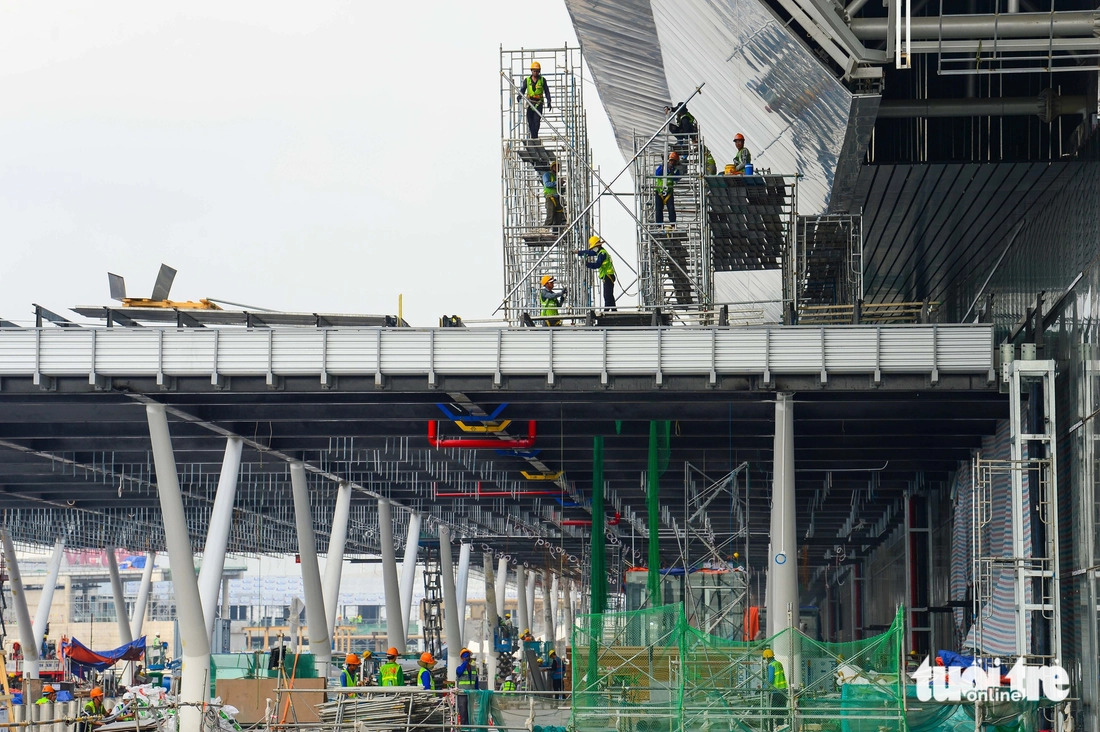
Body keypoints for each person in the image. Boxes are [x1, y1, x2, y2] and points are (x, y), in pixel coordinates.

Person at [578, 235, 617, 310]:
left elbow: (597, 265)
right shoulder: (600, 252)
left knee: (607, 295)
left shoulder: (602, 254)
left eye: (593, 247)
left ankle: (607, 311)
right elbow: (589, 252)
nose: (593, 249)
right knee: (609, 295)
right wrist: (579, 252)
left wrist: (587, 264)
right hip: (608, 276)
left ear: (597, 246)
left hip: (608, 276)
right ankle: (614, 310)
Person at [519, 61, 552, 139]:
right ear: (531, 71)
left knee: (536, 121)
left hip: (538, 103)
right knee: (530, 120)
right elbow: (523, 89)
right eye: (534, 71)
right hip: (530, 103)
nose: (536, 72)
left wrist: (549, 101)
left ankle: (534, 137)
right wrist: (519, 96)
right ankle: (533, 136)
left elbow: (547, 91)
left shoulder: (542, 80)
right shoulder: (527, 80)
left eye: (537, 71)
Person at [654, 151, 682, 225]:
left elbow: (677, 178)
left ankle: (673, 225)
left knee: (671, 208)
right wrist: (664, 168)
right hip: (659, 191)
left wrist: (672, 171)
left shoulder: (675, 170)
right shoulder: (662, 167)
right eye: (671, 160)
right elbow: (657, 174)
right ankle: (659, 225)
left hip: (669, 191)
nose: (672, 162)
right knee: (659, 209)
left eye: (674, 161)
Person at [763, 648, 787, 729]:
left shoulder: (771, 665)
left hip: (775, 692)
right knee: (780, 713)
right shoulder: (778, 664)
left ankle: (770, 730)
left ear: (767, 658)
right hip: (783, 691)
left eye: (764, 658)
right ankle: (780, 729)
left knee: (771, 713)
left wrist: (764, 688)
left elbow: (770, 679)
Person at [542, 161, 565, 232]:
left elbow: (558, 189)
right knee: (550, 214)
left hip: (557, 198)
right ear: (552, 167)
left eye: (558, 167)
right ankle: (545, 230)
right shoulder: (547, 175)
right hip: (550, 197)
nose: (557, 168)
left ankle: (556, 232)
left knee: (559, 214)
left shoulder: (556, 177)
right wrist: (557, 182)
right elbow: (547, 184)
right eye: (555, 166)